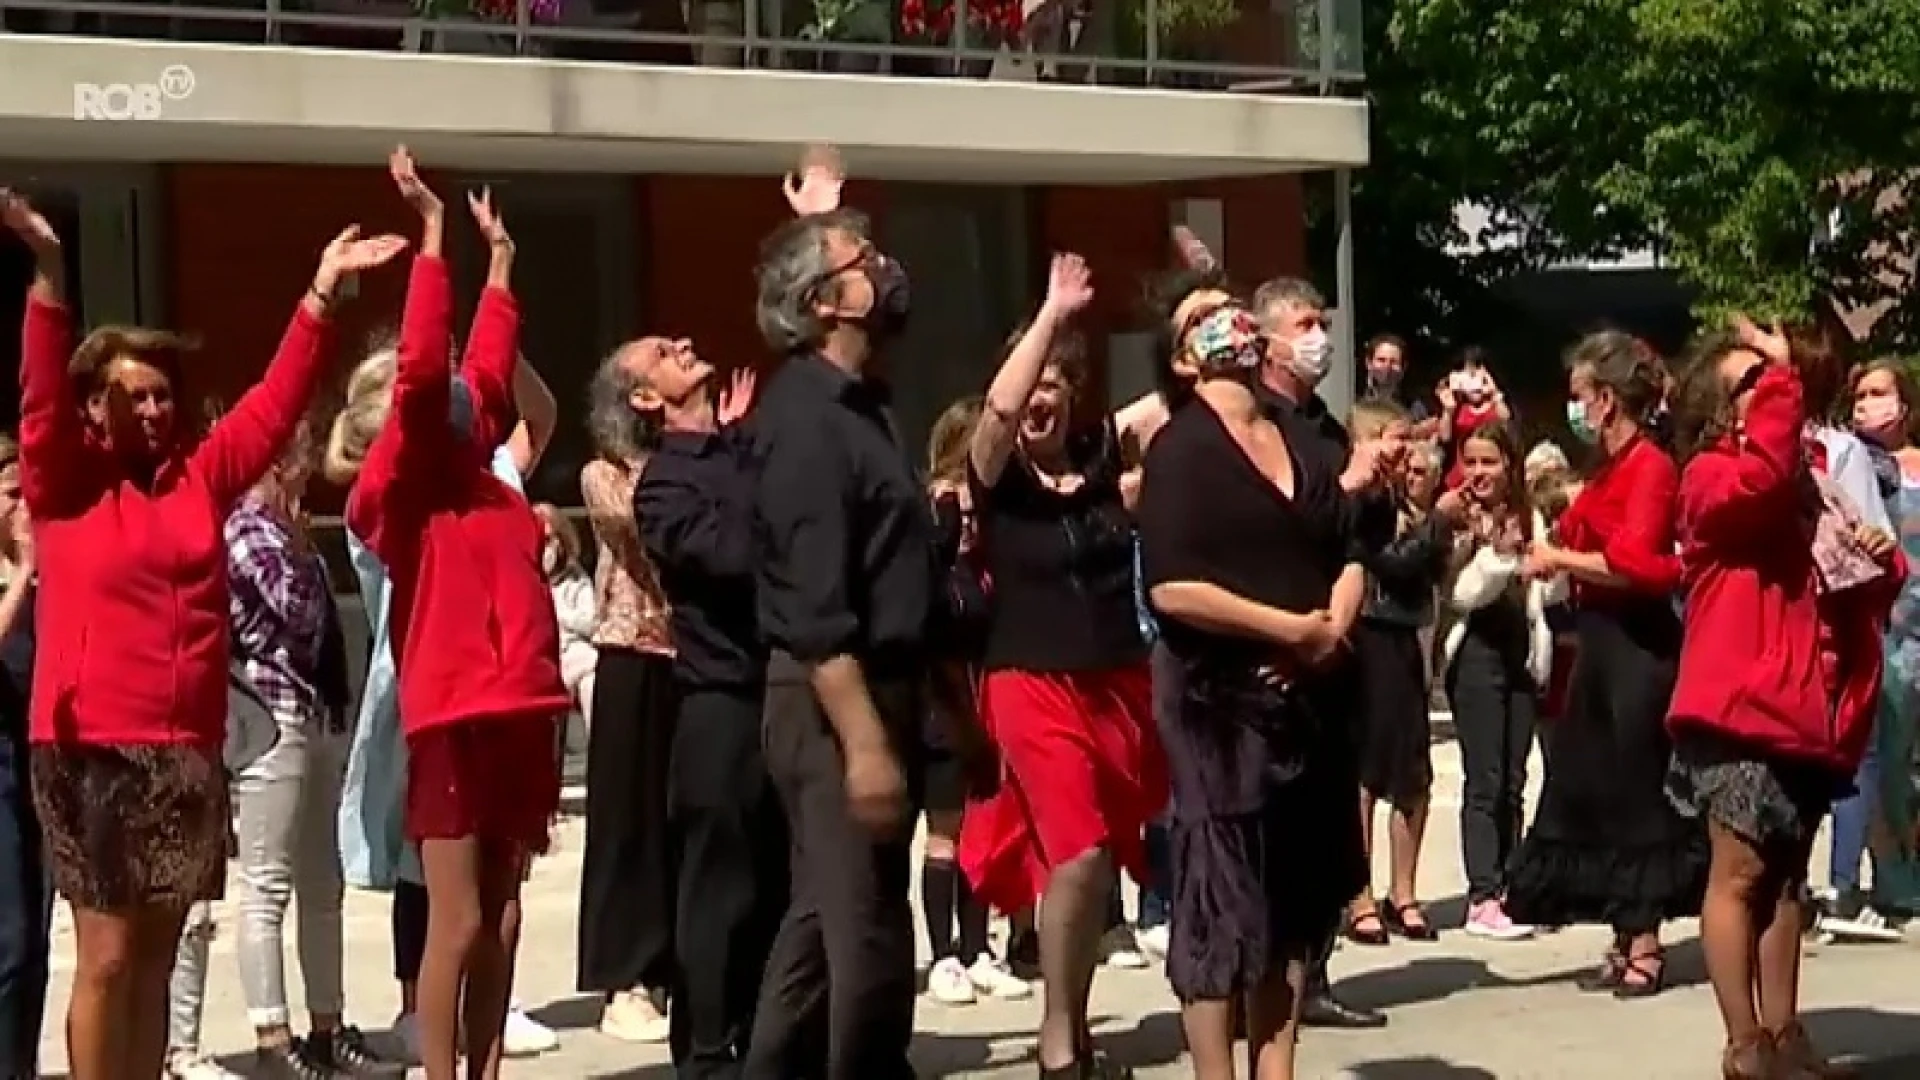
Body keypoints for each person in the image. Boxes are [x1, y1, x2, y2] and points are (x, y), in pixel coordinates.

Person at [2, 187, 401, 1080]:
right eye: (131, 396)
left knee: (156, 954)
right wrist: (50, 275)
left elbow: (269, 407)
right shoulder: (67, 480)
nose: (152, 411)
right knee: (105, 958)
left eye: (161, 395)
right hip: (92, 749)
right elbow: (37, 396)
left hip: (186, 750)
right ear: (95, 406)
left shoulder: (195, 478)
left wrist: (319, 296)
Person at [344, 152, 568, 1080]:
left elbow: (484, 364)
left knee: (506, 910)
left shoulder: (490, 480)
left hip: (523, 706)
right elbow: (436, 370)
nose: (452, 399)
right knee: (461, 916)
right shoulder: (397, 493)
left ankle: (484, 1071)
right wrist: (433, 239)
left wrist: (504, 260)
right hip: (451, 714)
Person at [1138, 278, 1364, 1080]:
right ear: (1181, 357)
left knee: (1291, 907)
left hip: (1306, 703)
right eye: (1203, 320)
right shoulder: (1181, 449)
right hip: (1216, 707)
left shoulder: (1298, 439)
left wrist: (1331, 624)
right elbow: (1171, 587)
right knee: (1220, 904)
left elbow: (1347, 546)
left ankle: (1279, 1067)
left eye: (1229, 310)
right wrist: (1285, 629)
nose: (1226, 325)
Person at [1665, 320, 1901, 1077]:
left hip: (1799, 712)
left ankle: (1783, 1031)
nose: (1771, 390)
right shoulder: (1711, 476)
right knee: (1739, 875)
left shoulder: (1808, 486)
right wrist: (1783, 375)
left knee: (1783, 881)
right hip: (1736, 706)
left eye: (1770, 380)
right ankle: (1744, 1043)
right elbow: (1760, 481)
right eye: (1751, 384)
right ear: (1719, 408)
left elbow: (1848, 596)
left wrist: (1881, 563)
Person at [740, 149, 929, 1080]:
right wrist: (863, 743)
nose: (883, 272)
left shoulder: (865, 409)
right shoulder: (805, 420)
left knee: (821, 929)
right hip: (831, 700)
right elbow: (815, 608)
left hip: (885, 687)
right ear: (823, 302)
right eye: (863, 262)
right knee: (867, 944)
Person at [955, 254, 1165, 1079]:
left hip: (1116, 682)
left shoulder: (1106, 460)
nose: (1036, 396)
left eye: (1054, 383)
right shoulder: (997, 474)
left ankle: (1073, 1026)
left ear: (1073, 394)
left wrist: (1204, 298)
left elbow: (1187, 391)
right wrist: (1049, 314)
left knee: (1093, 862)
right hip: (1029, 680)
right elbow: (1000, 408)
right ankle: (1056, 1042)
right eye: (1029, 379)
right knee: (1076, 851)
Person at [166, 427, 400, 1080]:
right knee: (266, 885)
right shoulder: (247, 528)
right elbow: (299, 614)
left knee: (321, 886)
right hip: (273, 718)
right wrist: (302, 549)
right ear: (277, 463)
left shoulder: (283, 529)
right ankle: (274, 1036)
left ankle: (328, 1028)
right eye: (298, 455)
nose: (309, 467)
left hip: (317, 714)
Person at [1506, 330, 1706, 997]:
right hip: (1600, 642)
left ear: (1609, 400)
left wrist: (1560, 559)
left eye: (1581, 397)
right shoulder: (1611, 466)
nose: (1576, 408)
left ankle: (1645, 936)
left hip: (1636, 646)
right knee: (1594, 785)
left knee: (1634, 789)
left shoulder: (1649, 464)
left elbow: (1635, 561)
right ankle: (1625, 928)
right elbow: (1577, 528)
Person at [632, 351, 787, 1079]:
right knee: (717, 888)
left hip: (781, 696)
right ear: (644, 398)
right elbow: (733, 557)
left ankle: (769, 1036)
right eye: (661, 355)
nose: (684, 350)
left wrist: (739, 445)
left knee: (777, 880)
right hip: (718, 704)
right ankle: (706, 1049)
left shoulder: (741, 448)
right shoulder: (663, 483)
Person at [1246, 276, 1380, 1030]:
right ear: (1265, 338)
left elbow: (1355, 541)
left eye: (1323, 322)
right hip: (1269, 651)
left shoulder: (1328, 427)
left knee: (1329, 829)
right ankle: (1256, 982)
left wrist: (1332, 629)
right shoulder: (1252, 423)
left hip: (1333, 647)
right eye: (1304, 323)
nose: (1318, 337)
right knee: (1268, 834)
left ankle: (1313, 973)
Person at [577, 341, 680, 1045]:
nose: (683, 354)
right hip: (630, 655)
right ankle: (624, 977)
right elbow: (649, 528)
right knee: (627, 822)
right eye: (664, 354)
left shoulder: (701, 458)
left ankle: (680, 963)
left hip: (695, 657)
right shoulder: (603, 473)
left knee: (687, 816)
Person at [1789, 325, 1901, 941]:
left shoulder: (1840, 453)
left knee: (1852, 758)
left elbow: (1867, 544)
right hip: (1783, 628)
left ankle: (1841, 886)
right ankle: (1793, 887)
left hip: (1835, 628)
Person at [919, 396, 1031, 1006]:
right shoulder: (933, 536)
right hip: (941, 702)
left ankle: (976, 946)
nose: (965, 520)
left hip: (986, 698)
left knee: (981, 829)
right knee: (945, 831)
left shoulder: (986, 551)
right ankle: (942, 956)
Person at [1440, 423, 1557, 941]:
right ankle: (1482, 894)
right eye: (1471, 461)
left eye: (1490, 462)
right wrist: (1500, 559)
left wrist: (1541, 571)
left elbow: (1552, 588)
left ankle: (1511, 884)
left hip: (1519, 655)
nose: (1479, 473)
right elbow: (1460, 595)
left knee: (1514, 779)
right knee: (1483, 781)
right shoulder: (1455, 517)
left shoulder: (1528, 517)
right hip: (1476, 656)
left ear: (1511, 464)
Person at [1347, 401, 1450, 943]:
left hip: (1409, 640)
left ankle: (1402, 892)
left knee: (1413, 772)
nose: (1406, 451)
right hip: (1367, 635)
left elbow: (1428, 568)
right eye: (1395, 439)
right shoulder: (1363, 504)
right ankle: (1357, 892)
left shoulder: (1422, 513)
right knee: (1366, 771)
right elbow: (1386, 562)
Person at [1845, 359, 1920, 921]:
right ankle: (1894, 880)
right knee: (1888, 764)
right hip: (1883, 631)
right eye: (1860, 395)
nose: (1868, 404)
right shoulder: (1854, 467)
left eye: (1879, 392)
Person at [0, 436, 45, 1080]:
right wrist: (21, 573)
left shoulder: (44, 577)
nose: (24, 507)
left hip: (46, 766)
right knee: (8, 940)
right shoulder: (19, 577)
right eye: (12, 495)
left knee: (36, 942)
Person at [535, 504, 599, 729]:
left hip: (572, 658)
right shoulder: (524, 580)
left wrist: (561, 616)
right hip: (539, 663)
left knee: (591, 674)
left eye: (550, 540)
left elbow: (591, 621)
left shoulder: (575, 580)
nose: (545, 549)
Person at [1438, 347, 1513, 491]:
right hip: (1459, 476)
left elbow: (1507, 424)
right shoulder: (1456, 406)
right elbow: (1445, 437)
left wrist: (1494, 393)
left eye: (1475, 375)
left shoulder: (1496, 404)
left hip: (1493, 473)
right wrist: (1448, 411)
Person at [1361, 334, 1436, 438]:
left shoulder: (1415, 406)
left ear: (1403, 368)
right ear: (1368, 363)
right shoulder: (1355, 399)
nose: (1387, 367)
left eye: (1394, 362)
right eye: (1381, 360)